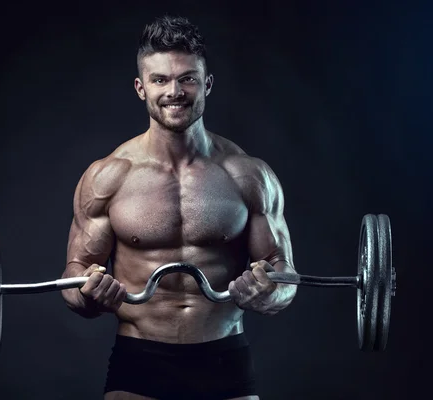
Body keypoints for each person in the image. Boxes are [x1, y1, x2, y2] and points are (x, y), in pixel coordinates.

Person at [61, 15, 298, 400]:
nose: (175, 91)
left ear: (207, 84)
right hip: (140, 359)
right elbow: (71, 282)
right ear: (141, 88)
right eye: (160, 80)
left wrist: (268, 294)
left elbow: (287, 276)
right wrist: (90, 294)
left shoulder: (248, 175)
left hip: (225, 357)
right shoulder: (108, 177)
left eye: (187, 78)